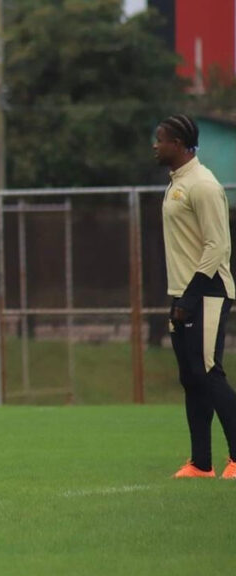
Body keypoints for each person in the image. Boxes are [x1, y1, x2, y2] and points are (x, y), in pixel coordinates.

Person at [154, 114, 236, 480]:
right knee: (191, 377)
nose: (155, 145)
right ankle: (201, 463)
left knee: (209, 372)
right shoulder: (176, 184)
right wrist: (179, 297)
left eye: (161, 139)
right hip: (184, 295)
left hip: (208, 292)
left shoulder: (203, 184)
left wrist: (191, 294)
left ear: (180, 144)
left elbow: (218, 245)